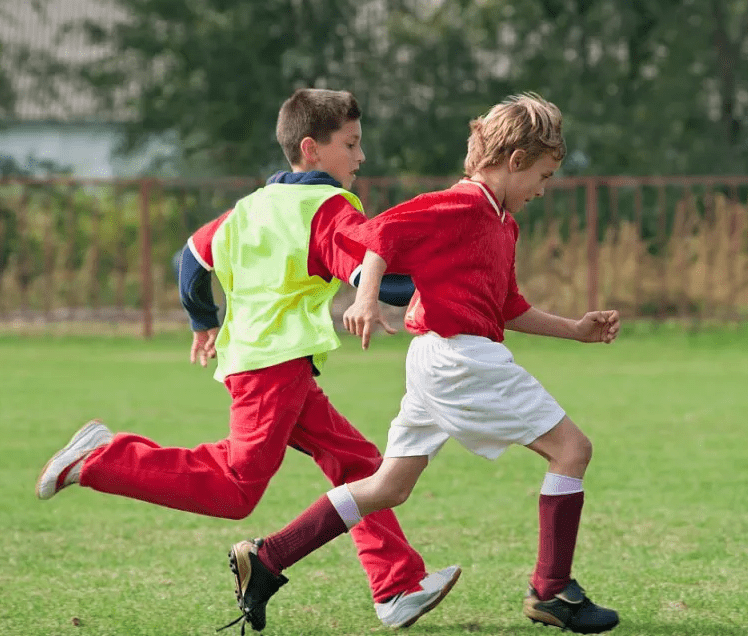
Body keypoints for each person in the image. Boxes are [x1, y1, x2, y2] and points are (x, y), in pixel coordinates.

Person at [34, 88, 460, 631]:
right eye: (351, 145)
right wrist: (433, 288)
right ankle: (102, 458)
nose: (361, 157)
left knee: (358, 465)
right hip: (271, 369)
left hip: (268, 364)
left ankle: (396, 586)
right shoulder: (327, 207)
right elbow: (367, 270)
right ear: (312, 148)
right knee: (236, 489)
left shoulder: (252, 206)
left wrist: (201, 318)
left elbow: (187, 256)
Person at [222, 93, 621, 634]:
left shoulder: (502, 223)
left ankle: (268, 558)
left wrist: (574, 330)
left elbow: (506, 306)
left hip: (438, 357)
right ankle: (551, 591)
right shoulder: (461, 206)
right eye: (543, 177)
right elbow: (381, 233)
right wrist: (364, 299)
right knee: (572, 450)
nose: (543, 190)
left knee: (388, 486)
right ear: (517, 161)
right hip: (461, 357)